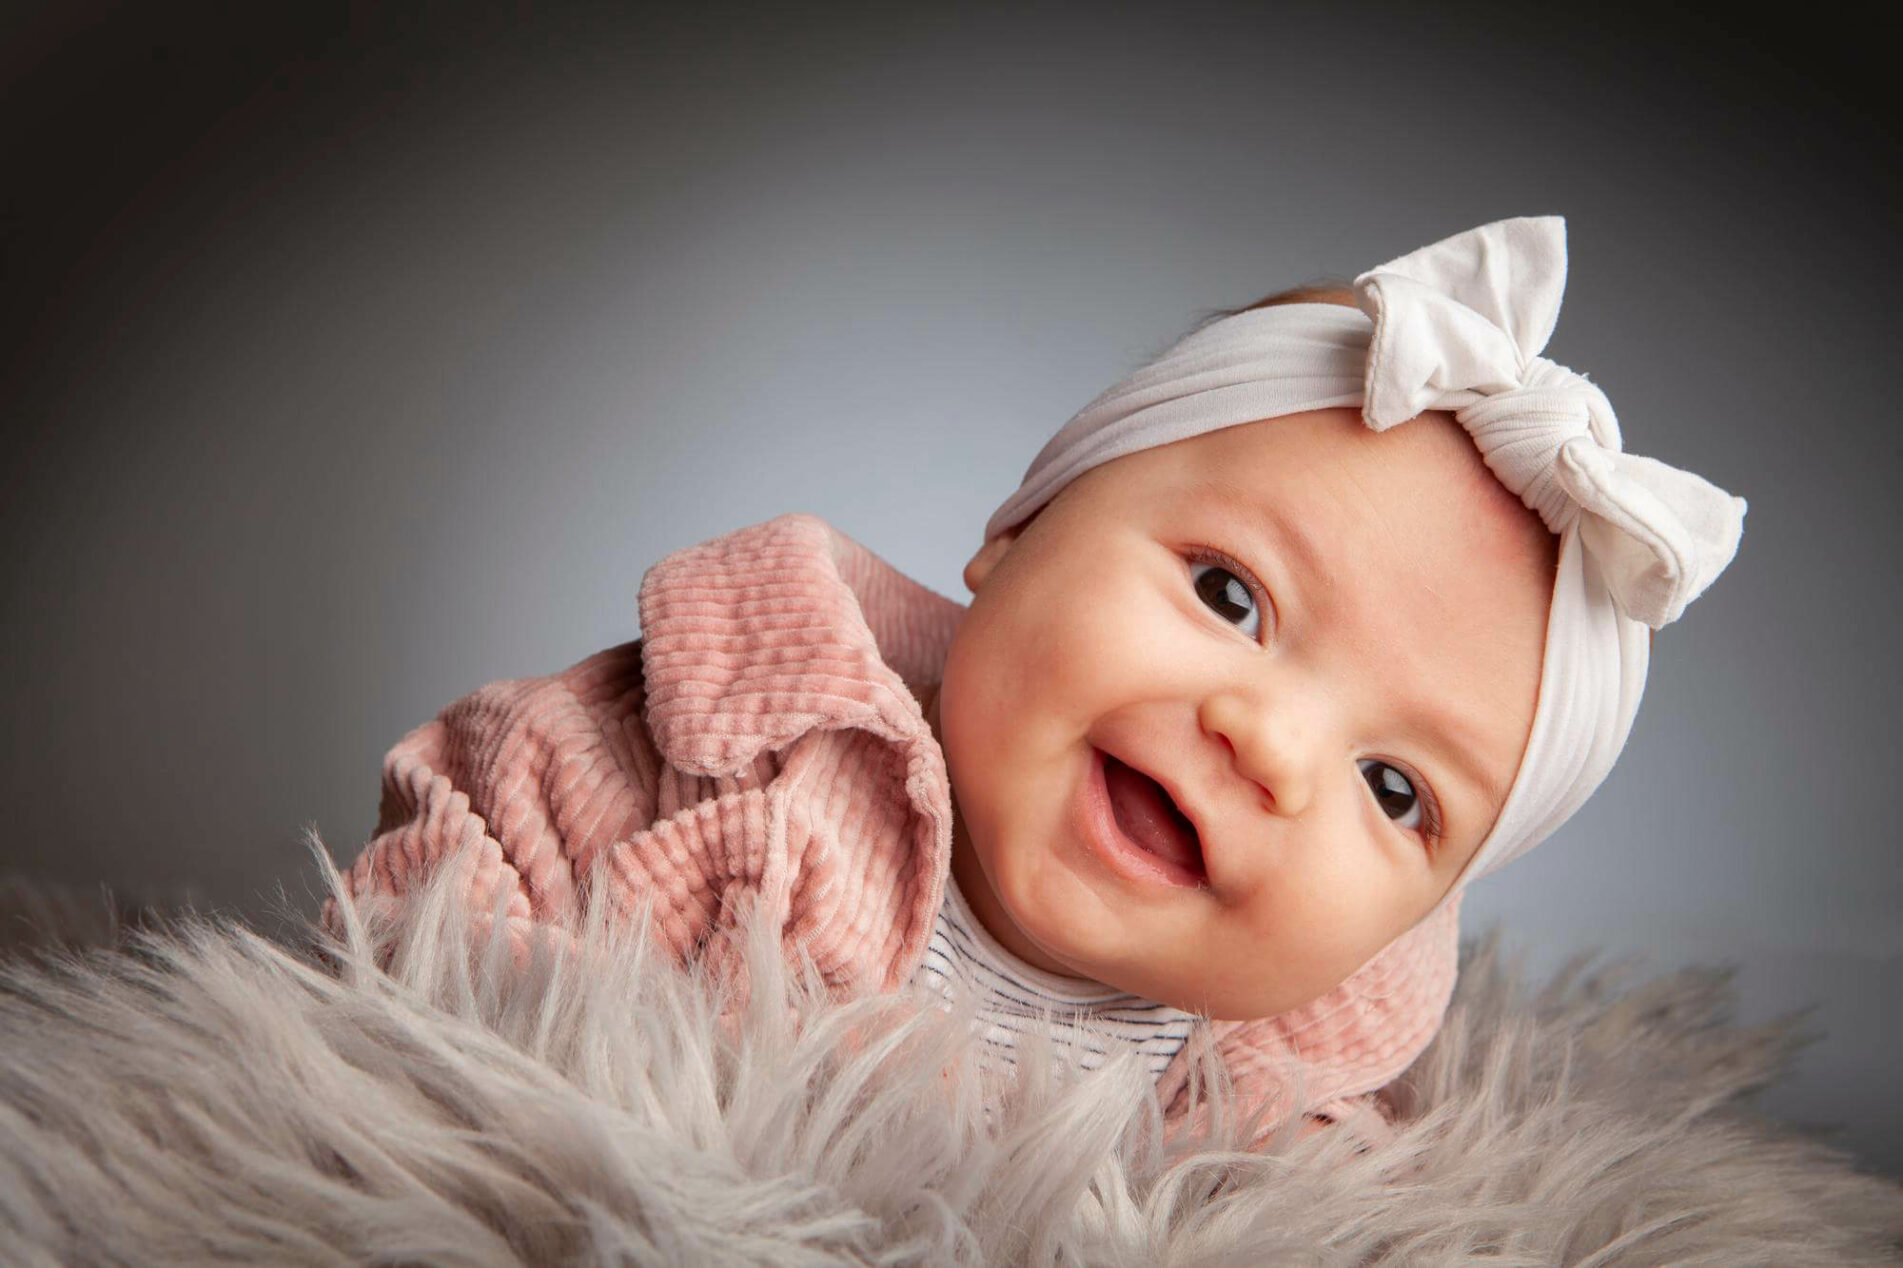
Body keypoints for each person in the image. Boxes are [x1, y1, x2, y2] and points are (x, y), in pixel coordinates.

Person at [322, 216, 1747, 1149]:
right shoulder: (716, 756)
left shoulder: (1286, 1074)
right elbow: (463, 829)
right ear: (1015, 538)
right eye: (1230, 595)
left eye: (1396, 789)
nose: (1270, 749)